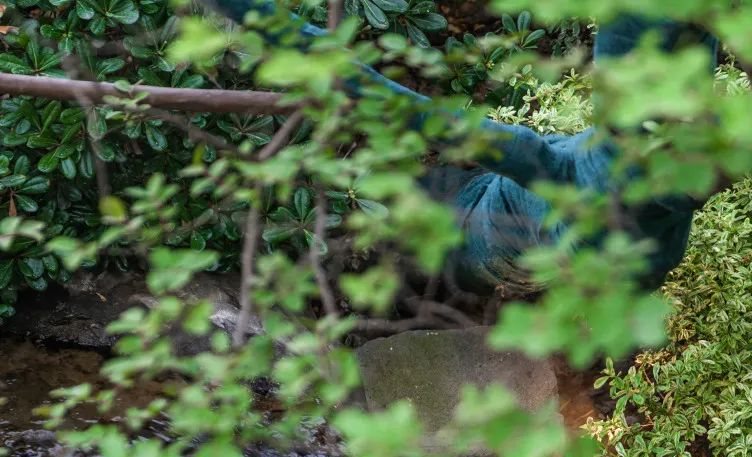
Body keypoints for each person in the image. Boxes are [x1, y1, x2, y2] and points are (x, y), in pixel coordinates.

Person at [209, 2, 718, 292]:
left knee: (396, 242)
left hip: (470, 229)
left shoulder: (558, 170)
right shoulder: (663, 237)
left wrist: (261, 21)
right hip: (520, 257)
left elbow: (399, 106)